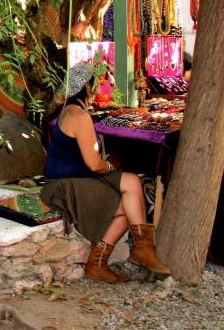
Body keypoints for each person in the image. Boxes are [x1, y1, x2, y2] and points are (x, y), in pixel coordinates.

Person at [41, 62, 170, 282]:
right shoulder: (78, 116)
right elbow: (94, 165)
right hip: (65, 186)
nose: (99, 89)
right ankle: (100, 263)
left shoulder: (69, 111)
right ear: (87, 87)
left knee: (131, 182)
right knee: (126, 207)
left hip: (74, 177)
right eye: (96, 85)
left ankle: (141, 249)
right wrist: (110, 166)